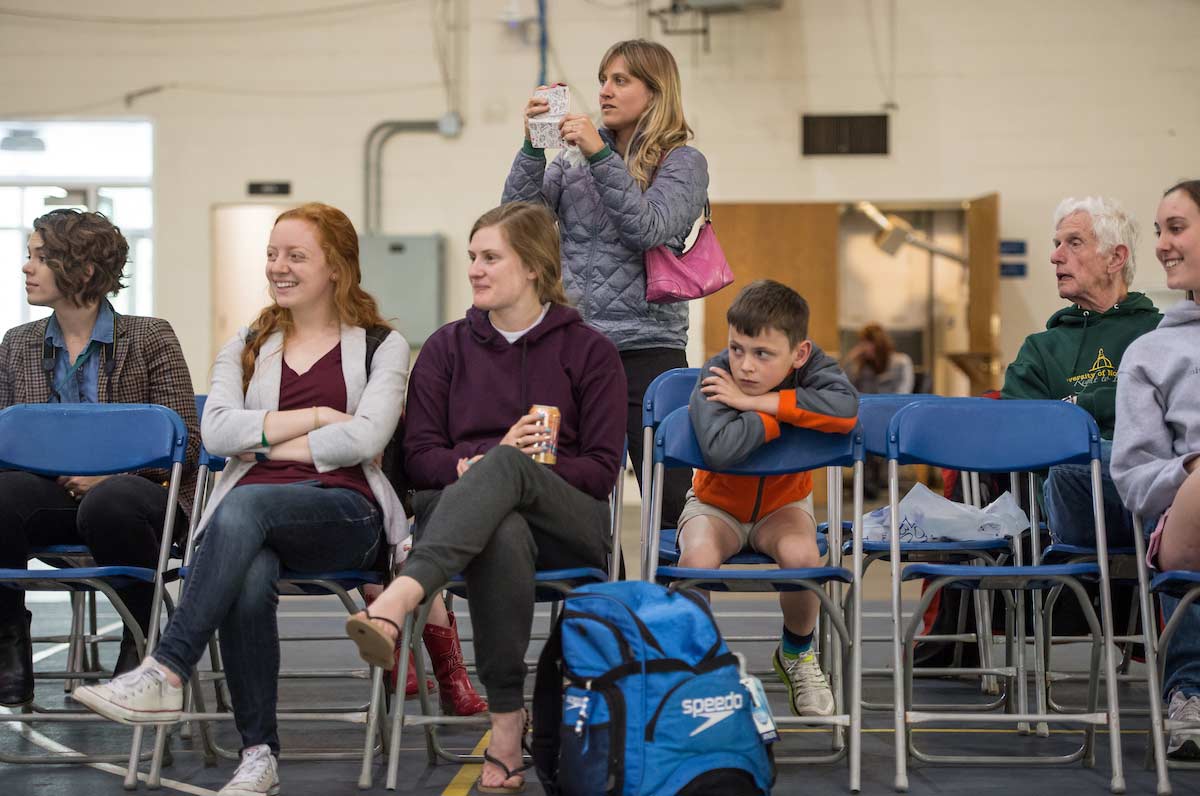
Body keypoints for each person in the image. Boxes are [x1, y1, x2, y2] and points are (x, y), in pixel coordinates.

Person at [72, 203, 415, 796]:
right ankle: (258, 755)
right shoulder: (250, 341)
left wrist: (265, 447)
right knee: (249, 574)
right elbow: (219, 433)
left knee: (242, 510)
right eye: (272, 254)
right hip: (250, 520)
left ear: (336, 267)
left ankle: (167, 666)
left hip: (344, 513)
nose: (278, 267)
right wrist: (313, 418)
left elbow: (367, 438)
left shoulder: (381, 345)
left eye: (295, 256)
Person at [346, 202, 626, 793]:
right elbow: (420, 460)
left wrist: (526, 465)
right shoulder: (446, 350)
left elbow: (601, 473)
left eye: (489, 257)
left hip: (566, 522)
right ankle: (506, 727)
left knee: (507, 469)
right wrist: (469, 467)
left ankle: (400, 598)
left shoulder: (590, 351)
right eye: (472, 256)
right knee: (500, 522)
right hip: (471, 530)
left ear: (532, 267)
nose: (474, 268)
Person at [502, 38, 708, 526]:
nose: (605, 92)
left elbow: (648, 228)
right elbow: (516, 223)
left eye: (621, 80)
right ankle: (596, 596)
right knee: (577, 496)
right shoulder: (571, 160)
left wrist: (599, 157)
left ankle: (670, 600)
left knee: (669, 500)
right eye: (603, 80)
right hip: (577, 348)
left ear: (655, 93)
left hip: (650, 350)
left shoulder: (682, 162)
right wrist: (533, 146)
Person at [0, 209, 198, 707]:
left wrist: (109, 474)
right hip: (52, 492)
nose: (27, 267)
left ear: (84, 270)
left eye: (41, 257)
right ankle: (7, 637)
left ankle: (143, 638)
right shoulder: (17, 344)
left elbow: (187, 442)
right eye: (29, 256)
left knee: (109, 502)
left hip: (139, 495)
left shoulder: (150, 336)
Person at [676, 280, 858, 716]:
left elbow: (846, 411)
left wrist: (764, 402)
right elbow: (721, 448)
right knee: (697, 559)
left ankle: (796, 652)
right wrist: (784, 416)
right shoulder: (716, 375)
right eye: (737, 348)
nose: (746, 367)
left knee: (803, 557)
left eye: (762, 354)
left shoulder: (816, 369)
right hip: (714, 506)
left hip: (784, 507)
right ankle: (695, 662)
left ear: (799, 353)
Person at [1001, 196, 1161, 546]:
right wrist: (1127, 406)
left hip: (1156, 490)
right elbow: (1018, 432)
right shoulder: (1040, 350)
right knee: (1069, 466)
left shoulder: (1163, 334)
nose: (1055, 256)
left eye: (1074, 243)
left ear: (1115, 259)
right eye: (1057, 244)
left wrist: (1080, 406)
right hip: (1077, 502)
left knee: (1167, 468)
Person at [1113, 179, 1200, 759]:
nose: (1164, 245)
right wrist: (1191, 468)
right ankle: (1190, 691)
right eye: (1160, 232)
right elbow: (1133, 479)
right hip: (1186, 519)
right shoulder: (1150, 352)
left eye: (1177, 228)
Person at [842, 322, 914, 496]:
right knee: (859, 428)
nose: (865, 348)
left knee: (874, 431)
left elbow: (903, 393)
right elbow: (843, 386)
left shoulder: (900, 362)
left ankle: (877, 480)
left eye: (868, 343)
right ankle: (867, 483)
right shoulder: (860, 366)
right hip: (865, 415)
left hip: (891, 414)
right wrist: (850, 359)